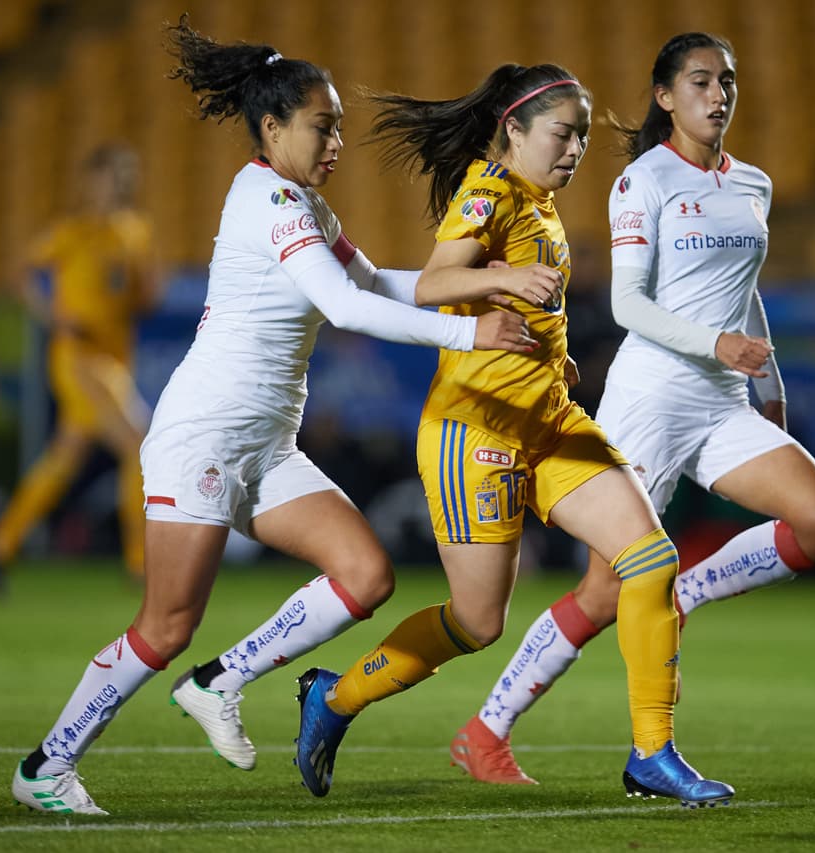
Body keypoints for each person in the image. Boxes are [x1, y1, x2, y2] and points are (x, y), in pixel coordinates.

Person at [9, 17, 533, 817]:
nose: (337, 142)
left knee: (365, 575)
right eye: (324, 126)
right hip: (207, 436)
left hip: (266, 445)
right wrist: (469, 331)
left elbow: (376, 283)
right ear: (273, 126)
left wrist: (484, 281)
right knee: (165, 625)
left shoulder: (308, 207)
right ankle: (46, 763)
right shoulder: (270, 200)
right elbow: (344, 307)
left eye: (340, 127)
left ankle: (221, 680)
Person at [292, 61, 735, 808]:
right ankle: (334, 699)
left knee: (651, 560)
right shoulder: (489, 191)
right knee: (476, 622)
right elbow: (433, 282)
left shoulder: (540, 202)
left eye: (583, 136)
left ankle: (652, 754)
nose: (575, 149)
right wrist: (501, 280)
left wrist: (548, 349)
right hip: (475, 434)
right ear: (515, 131)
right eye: (563, 133)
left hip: (550, 422)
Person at [443, 33, 815, 787]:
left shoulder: (753, 184)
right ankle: (485, 730)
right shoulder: (643, 181)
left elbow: (742, 293)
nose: (718, 95)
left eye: (727, 81)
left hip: (724, 400)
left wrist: (772, 389)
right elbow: (627, 304)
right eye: (700, 81)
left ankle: (685, 592)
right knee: (603, 591)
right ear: (665, 96)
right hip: (651, 400)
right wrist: (717, 343)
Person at [0, 144, 159, 593]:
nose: (108, 188)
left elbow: (145, 298)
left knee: (66, 455)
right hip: (77, 356)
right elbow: (22, 272)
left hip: (114, 358)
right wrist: (50, 315)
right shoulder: (71, 232)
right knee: (138, 445)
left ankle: (2, 542)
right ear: (89, 184)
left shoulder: (135, 233)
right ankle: (139, 562)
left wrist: (140, 292)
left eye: (116, 178)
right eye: (101, 179)